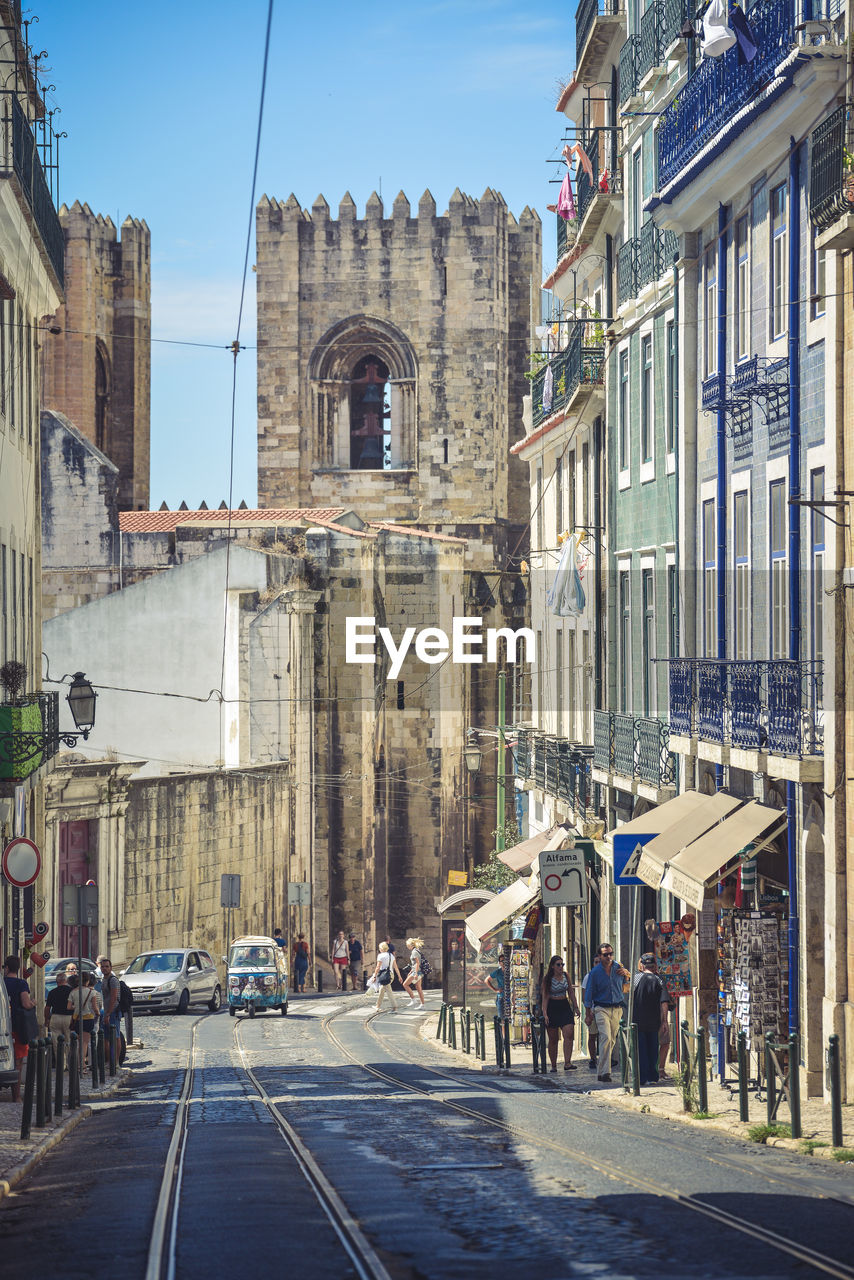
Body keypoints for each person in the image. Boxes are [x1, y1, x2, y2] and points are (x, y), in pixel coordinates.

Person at [583, 942, 630, 1083]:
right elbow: (589, 993)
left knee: (612, 1040)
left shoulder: (619, 968)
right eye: (605, 954)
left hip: (617, 1008)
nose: (609, 956)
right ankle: (605, 1072)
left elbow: (626, 989)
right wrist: (587, 1013)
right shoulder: (595, 973)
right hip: (601, 1008)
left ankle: (602, 1070)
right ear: (600, 956)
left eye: (611, 953)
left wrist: (627, 975)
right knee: (606, 1037)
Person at [631, 953, 671, 1086]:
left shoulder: (635, 979)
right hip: (654, 1022)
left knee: (641, 1049)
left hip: (638, 1021)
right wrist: (664, 1021)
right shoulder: (658, 980)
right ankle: (653, 1077)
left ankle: (642, 1078)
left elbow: (628, 995)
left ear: (642, 965)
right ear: (654, 966)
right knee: (653, 1049)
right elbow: (664, 1002)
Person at [541, 955, 581, 1072]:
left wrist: (576, 1006)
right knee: (553, 1039)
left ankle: (567, 1063)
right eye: (558, 965)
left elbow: (570, 992)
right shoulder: (547, 978)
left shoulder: (565, 976)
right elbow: (545, 997)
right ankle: (553, 1065)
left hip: (564, 1005)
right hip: (552, 1007)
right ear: (553, 966)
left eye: (562, 964)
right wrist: (545, 1013)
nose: (560, 967)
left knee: (569, 1033)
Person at [4, 955, 35, 1101]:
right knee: (18, 1063)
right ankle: (16, 1097)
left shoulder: (1, 982)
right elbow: (26, 1004)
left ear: (7, 968)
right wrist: (33, 1002)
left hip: (3, 1025)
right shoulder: (21, 984)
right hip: (18, 1027)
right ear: (17, 969)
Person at [98, 956, 120, 1068]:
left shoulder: (113, 980)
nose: (105, 969)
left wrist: (108, 1013)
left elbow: (113, 998)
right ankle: (108, 1062)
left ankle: (116, 1062)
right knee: (106, 1037)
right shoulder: (104, 979)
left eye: (107, 967)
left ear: (111, 968)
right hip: (106, 1011)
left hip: (113, 1011)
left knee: (115, 1037)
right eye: (103, 967)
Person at [44, 970, 73, 1055]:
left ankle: (61, 1065)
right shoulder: (71, 991)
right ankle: (69, 1063)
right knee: (69, 1041)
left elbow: (47, 1008)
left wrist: (47, 1019)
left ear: (57, 981)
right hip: (68, 1018)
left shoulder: (52, 992)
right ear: (66, 981)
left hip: (55, 1017)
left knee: (56, 1043)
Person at [580, 957, 599, 1070]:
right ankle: (592, 1058)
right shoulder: (588, 977)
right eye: (596, 962)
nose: (597, 964)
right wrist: (588, 1012)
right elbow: (584, 996)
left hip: (604, 1009)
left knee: (605, 1036)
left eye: (599, 962)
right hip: (592, 1011)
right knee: (592, 1036)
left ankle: (605, 1058)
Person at [371, 942, 398, 1013]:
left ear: (381, 948)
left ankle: (394, 1007)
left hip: (384, 976)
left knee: (389, 991)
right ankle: (377, 1006)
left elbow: (378, 967)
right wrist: (399, 976)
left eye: (379, 948)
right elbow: (395, 966)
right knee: (382, 990)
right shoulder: (391, 955)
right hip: (391, 975)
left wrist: (374, 976)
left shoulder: (380, 956)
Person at [403, 937, 426, 1009]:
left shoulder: (414, 952)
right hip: (417, 971)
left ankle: (413, 999)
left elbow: (417, 963)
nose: (407, 947)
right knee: (418, 988)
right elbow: (414, 963)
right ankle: (422, 1004)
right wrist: (411, 971)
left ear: (411, 945)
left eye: (407, 945)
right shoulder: (417, 950)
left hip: (417, 971)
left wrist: (415, 973)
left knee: (405, 984)